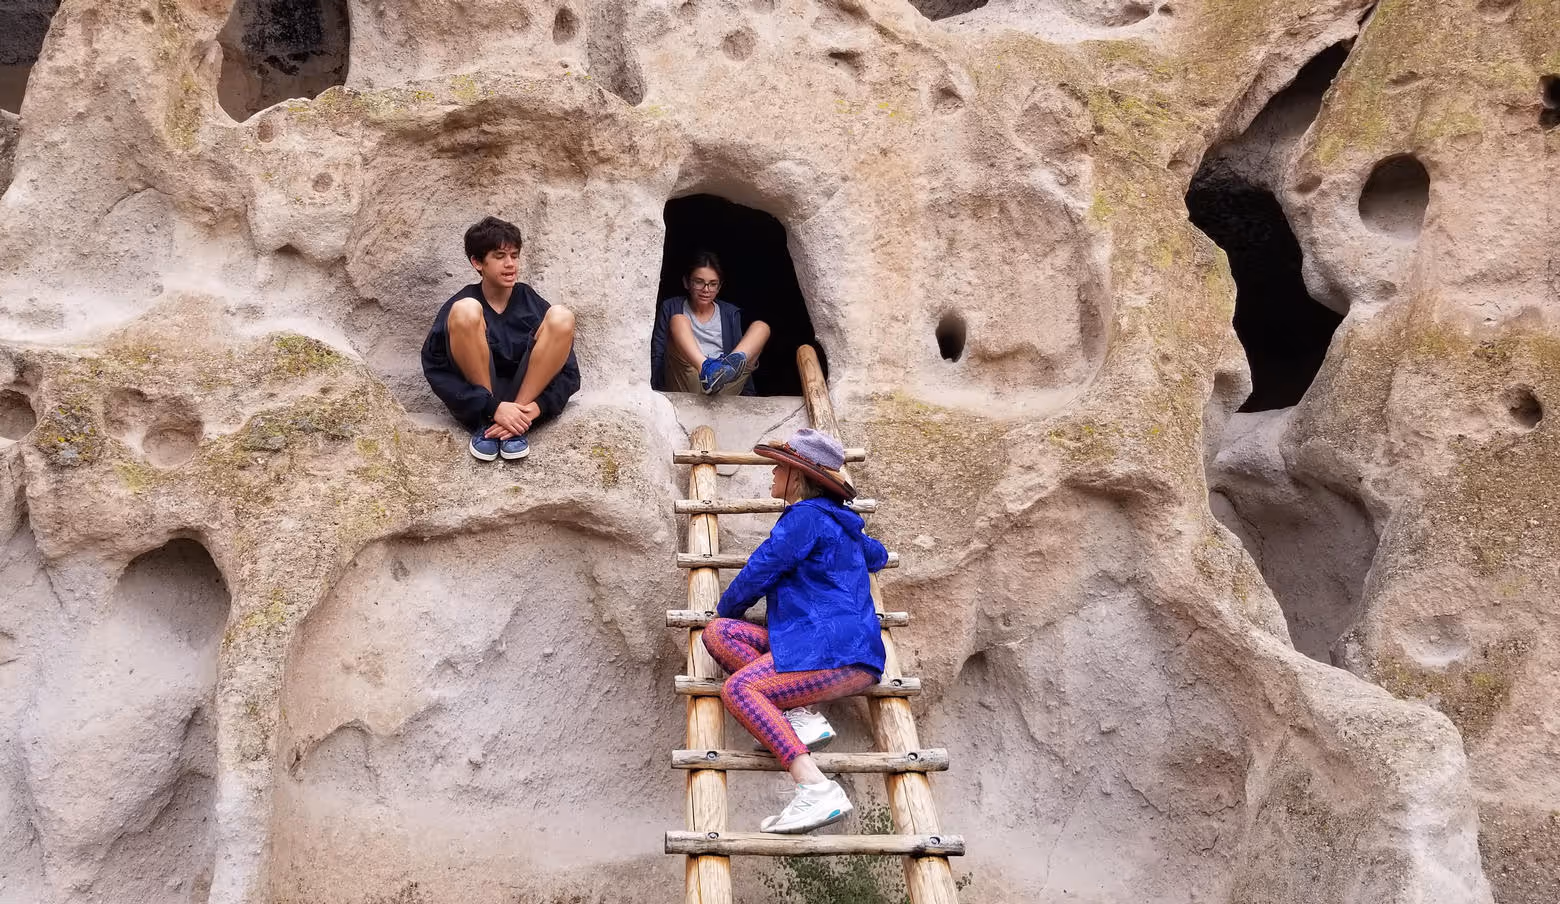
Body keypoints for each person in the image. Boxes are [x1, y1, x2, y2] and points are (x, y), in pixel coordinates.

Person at [703, 428, 889, 834]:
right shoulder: (841, 525)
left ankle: (816, 788)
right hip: (813, 643)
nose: (772, 472)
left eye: (779, 466)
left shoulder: (803, 517)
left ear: (796, 476)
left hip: (832, 652)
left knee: (739, 690)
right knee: (719, 635)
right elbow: (877, 555)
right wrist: (722, 620)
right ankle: (797, 715)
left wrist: (726, 606)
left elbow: (761, 569)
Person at [421, 216, 580, 461]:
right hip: (479, 408)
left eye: (514, 256)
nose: (510, 264)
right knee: (466, 310)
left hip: (525, 407)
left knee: (562, 317)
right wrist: (492, 408)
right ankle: (488, 423)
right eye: (499, 256)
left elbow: (569, 373)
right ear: (477, 262)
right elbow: (437, 369)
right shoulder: (462, 303)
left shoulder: (529, 301)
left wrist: (530, 411)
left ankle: (512, 430)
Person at [650, 251, 770, 396]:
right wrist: (654, 389)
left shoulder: (729, 313)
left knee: (761, 327)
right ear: (686, 282)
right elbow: (658, 352)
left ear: (719, 287)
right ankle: (707, 370)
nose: (706, 289)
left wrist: (749, 396)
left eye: (713, 284)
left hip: (724, 383)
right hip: (686, 378)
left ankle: (723, 370)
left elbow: (745, 357)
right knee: (678, 320)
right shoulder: (671, 307)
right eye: (699, 282)